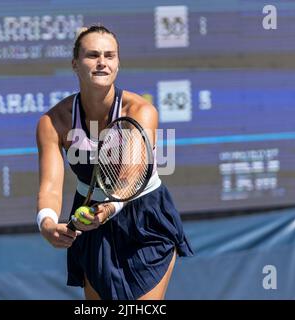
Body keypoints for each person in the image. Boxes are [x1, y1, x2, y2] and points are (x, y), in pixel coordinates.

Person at [36, 25, 194, 300]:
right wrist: (47, 224)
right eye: (92, 55)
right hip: (90, 216)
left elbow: (130, 176)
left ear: (118, 64)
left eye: (110, 56)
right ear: (75, 64)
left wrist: (109, 207)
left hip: (145, 218)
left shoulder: (141, 111)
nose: (102, 63)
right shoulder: (53, 122)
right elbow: (50, 186)